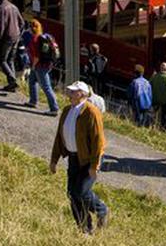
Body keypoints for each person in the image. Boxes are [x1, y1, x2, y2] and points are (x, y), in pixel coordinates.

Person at [50, 81, 109, 234]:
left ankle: (101, 209)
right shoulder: (66, 111)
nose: (69, 94)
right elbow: (60, 136)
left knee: (81, 191)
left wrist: (94, 166)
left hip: (89, 159)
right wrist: (54, 160)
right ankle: (84, 228)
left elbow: (99, 141)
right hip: (73, 158)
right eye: (69, 91)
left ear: (82, 94)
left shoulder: (91, 112)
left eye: (73, 92)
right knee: (72, 193)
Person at [0, 0, 24, 91]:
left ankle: (12, 79)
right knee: (10, 60)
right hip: (16, 37)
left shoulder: (2, 8)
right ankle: (12, 85)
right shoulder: (14, 7)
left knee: (2, 60)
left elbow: (0, 27)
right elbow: (22, 23)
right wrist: (19, 34)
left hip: (7, 38)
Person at [26, 20, 58, 114]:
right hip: (45, 64)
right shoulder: (43, 37)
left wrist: (33, 66)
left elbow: (36, 56)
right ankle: (33, 101)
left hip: (39, 66)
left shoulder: (34, 40)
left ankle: (54, 109)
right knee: (32, 81)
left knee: (46, 87)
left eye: (29, 27)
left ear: (32, 29)